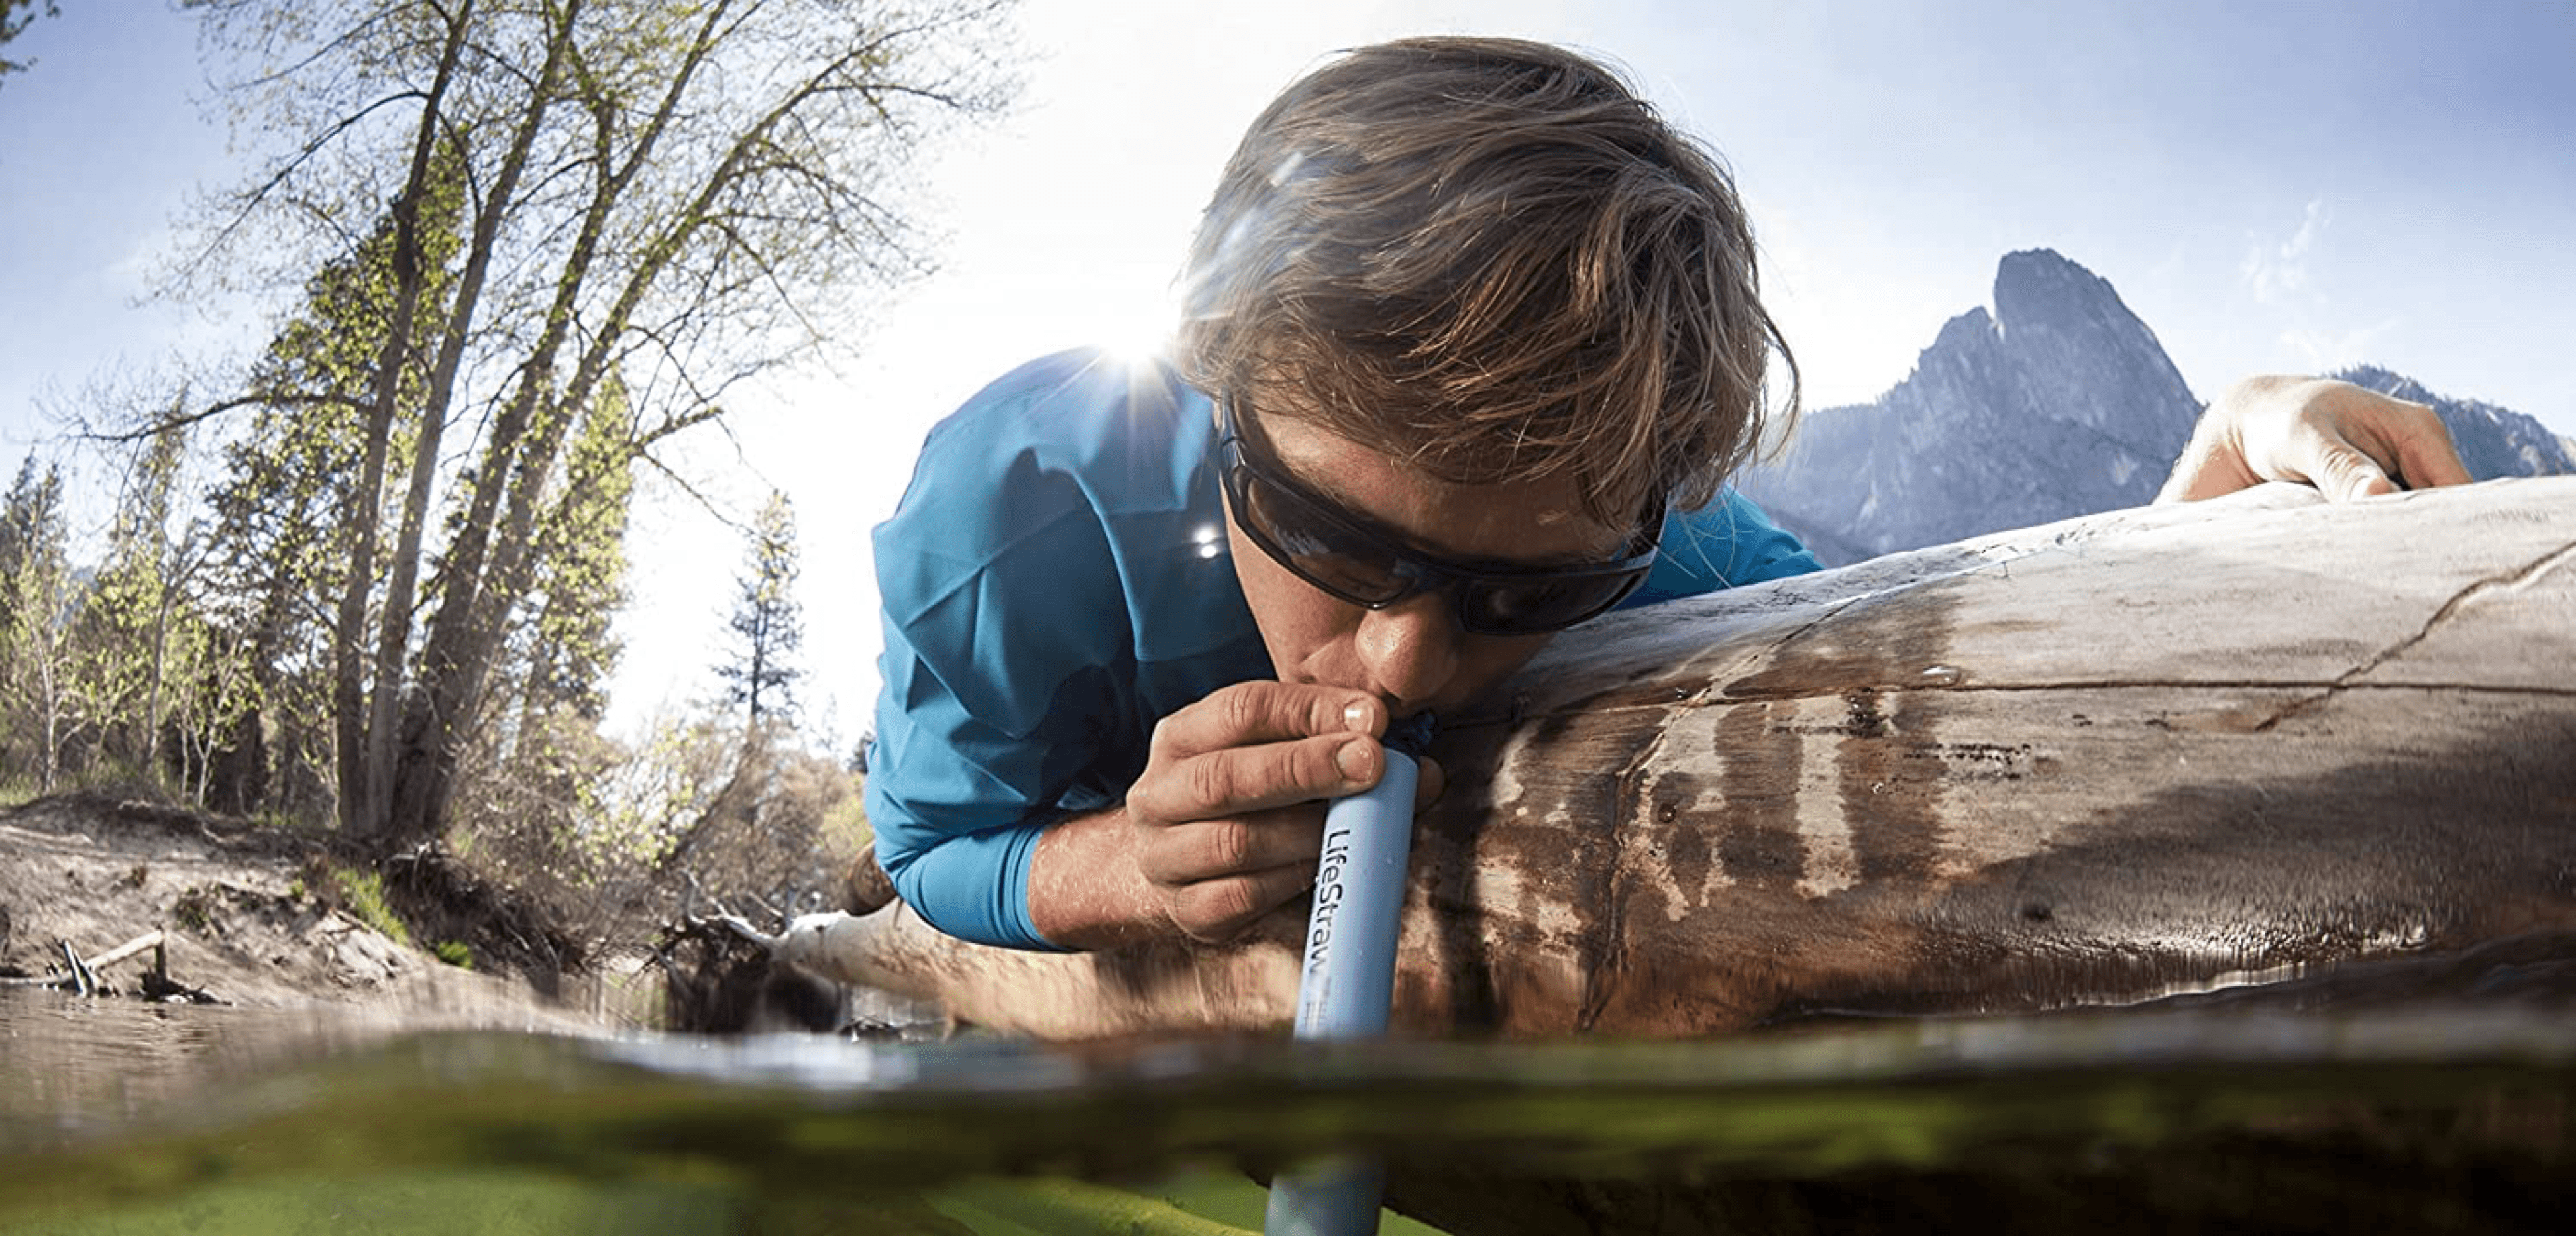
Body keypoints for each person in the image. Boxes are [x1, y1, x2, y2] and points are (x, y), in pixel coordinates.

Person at [860, 36, 2471, 953]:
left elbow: (1943, 635)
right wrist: (1111, 871)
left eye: (1525, 598)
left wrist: (2212, 468)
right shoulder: (1005, 522)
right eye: (1337, 541)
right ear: (1213, 364)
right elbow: (933, 839)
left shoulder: (1663, 547)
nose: (1409, 663)